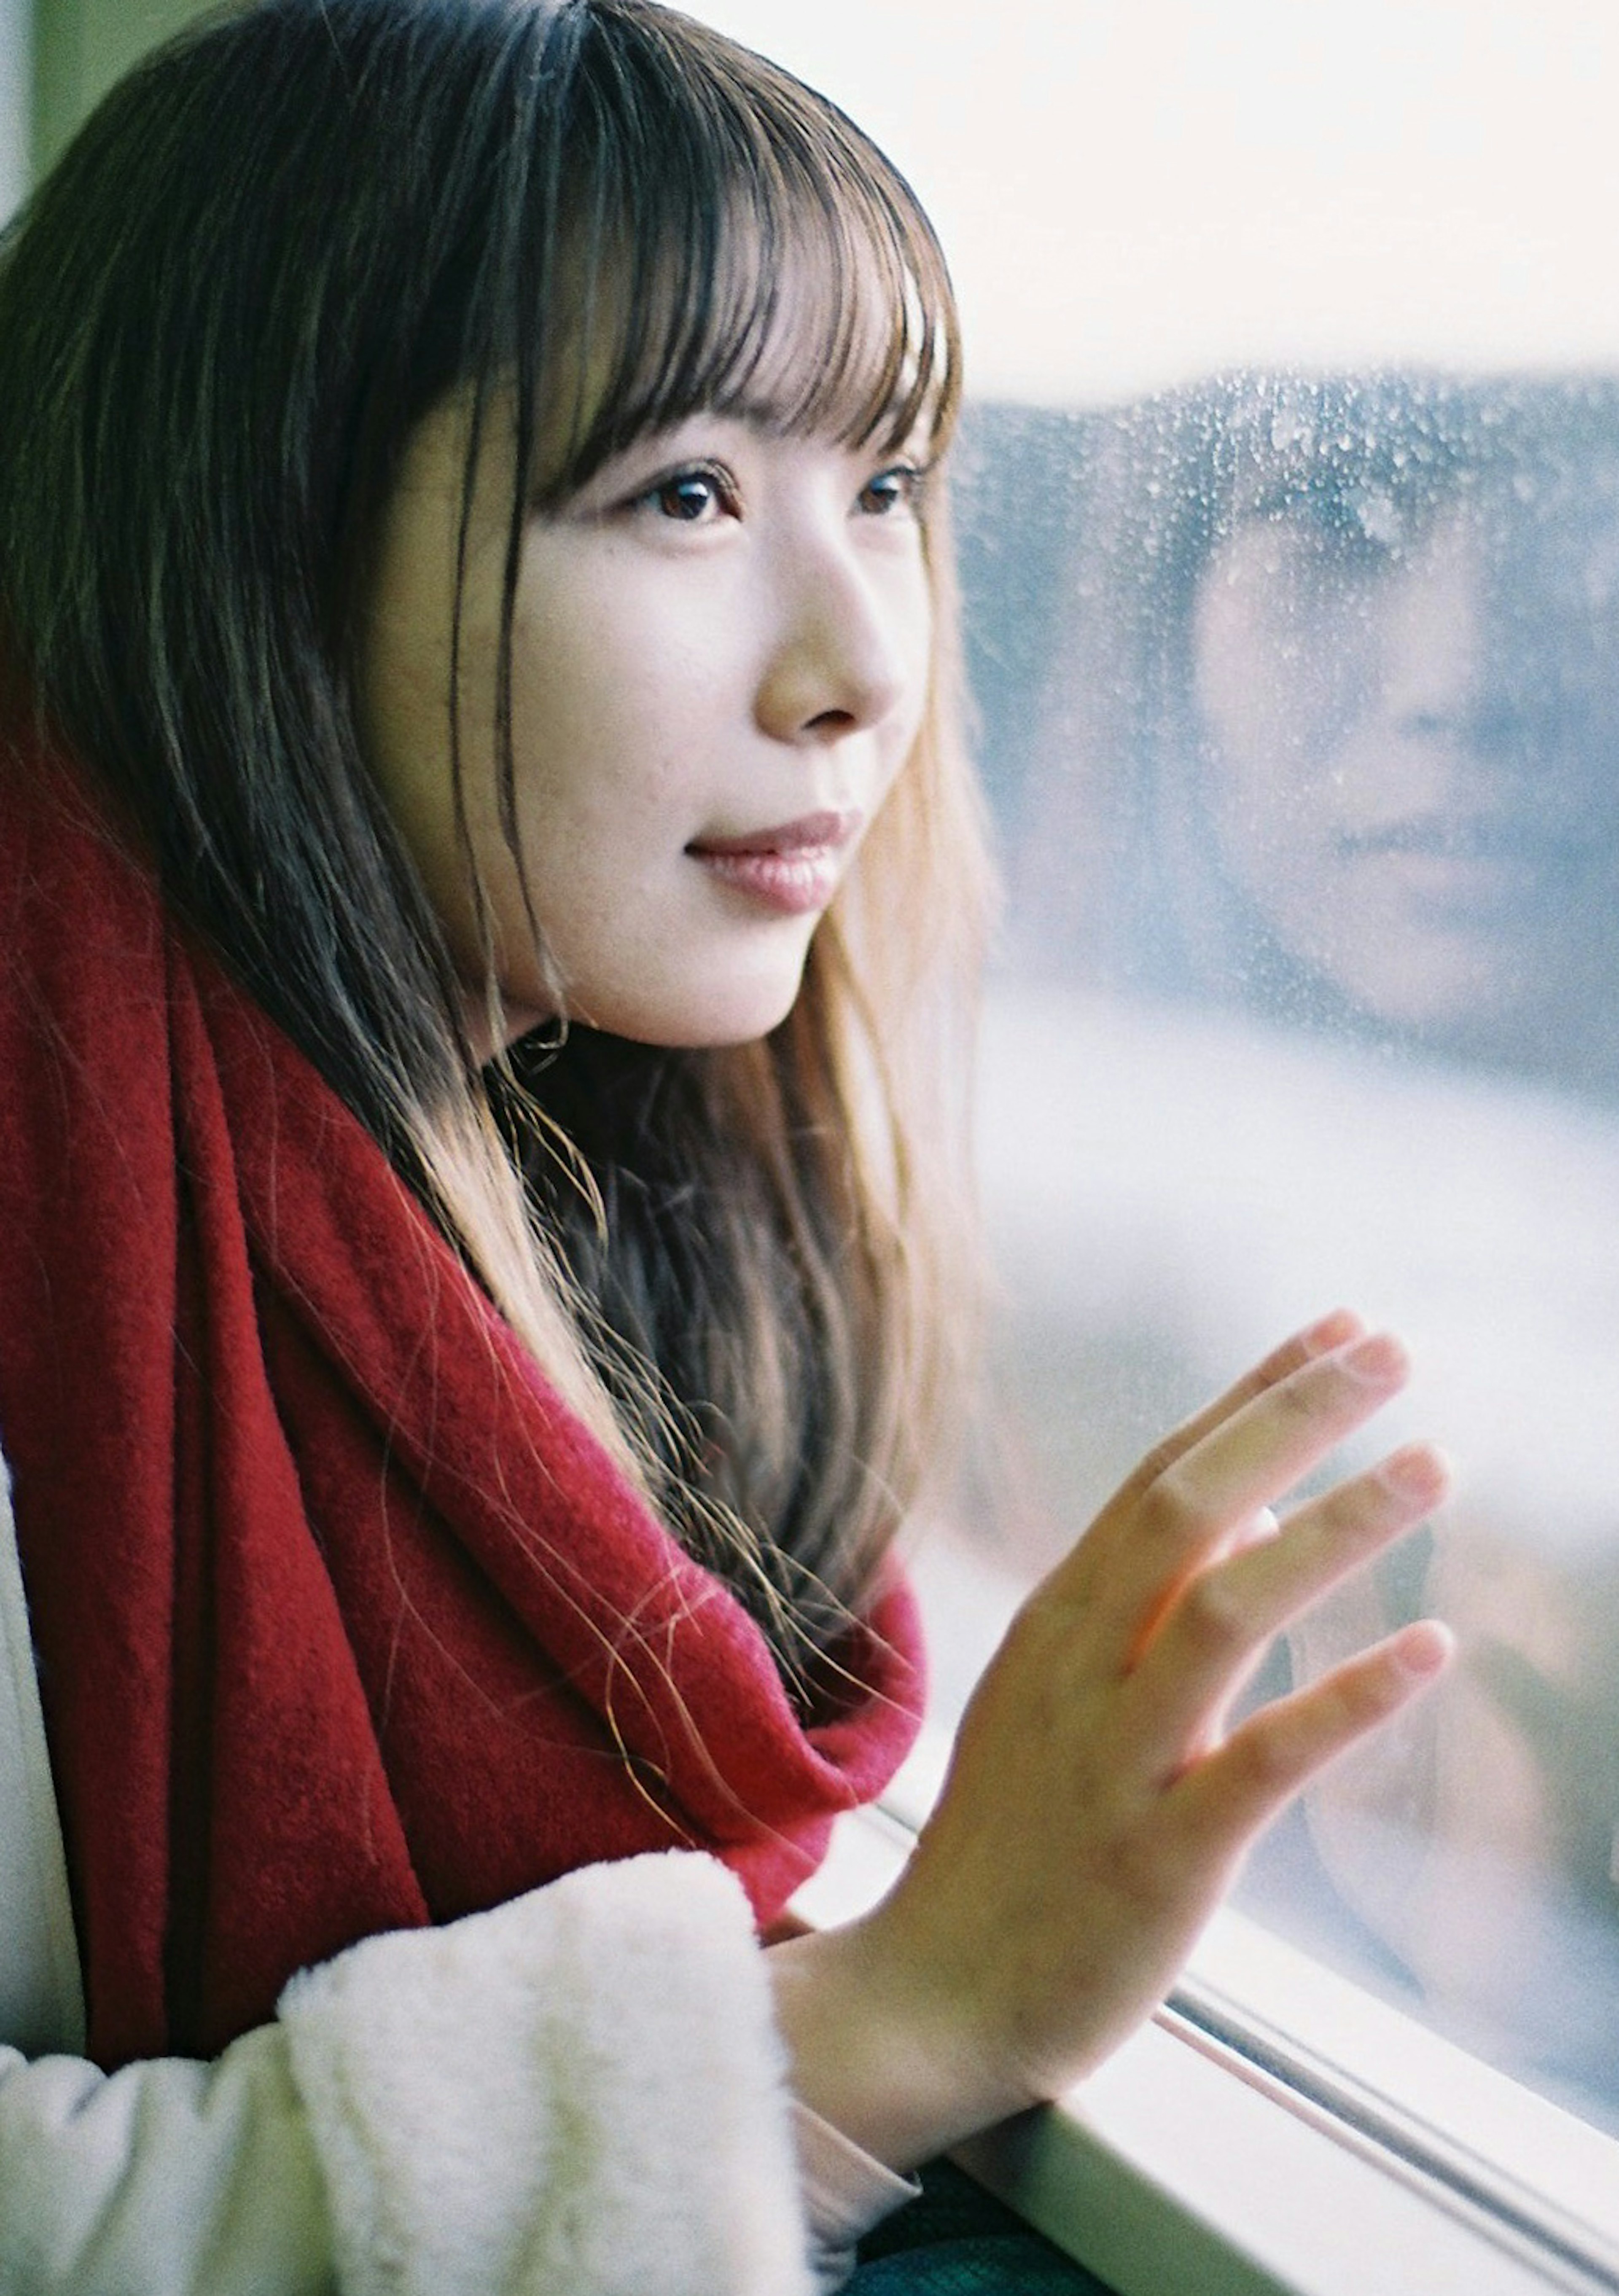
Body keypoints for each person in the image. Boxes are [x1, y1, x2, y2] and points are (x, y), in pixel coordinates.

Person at [0, 2, 1454, 2288]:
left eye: (882, 487)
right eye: (684, 491)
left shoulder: (583, 1209)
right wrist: (886, 2023)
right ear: (263, 546)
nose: (864, 658)